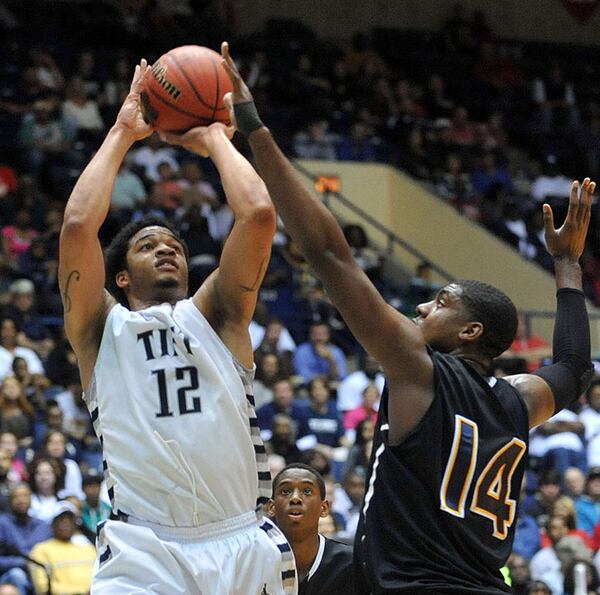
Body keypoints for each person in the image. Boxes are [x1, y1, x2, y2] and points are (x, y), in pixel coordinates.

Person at [191, 41, 595, 594]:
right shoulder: (519, 400)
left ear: (471, 332)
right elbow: (575, 365)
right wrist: (568, 264)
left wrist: (254, 125)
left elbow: (330, 255)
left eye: (442, 302)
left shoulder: (418, 368)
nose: (423, 306)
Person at [58, 58, 294, 594]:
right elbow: (77, 226)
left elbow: (258, 214)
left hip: (240, 542)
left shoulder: (217, 312)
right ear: (119, 275)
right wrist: (122, 132)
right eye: (148, 245)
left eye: (176, 246)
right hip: (144, 550)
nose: (166, 249)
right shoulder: (99, 329)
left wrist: (214, 137)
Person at [268, 464, 353, 594]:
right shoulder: (256, 560)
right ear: (271, 507)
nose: (295, 498)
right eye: (285, 491)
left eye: (307, 491)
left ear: (324, 508)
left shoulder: (351, 563)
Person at [28, 500, 96, 595]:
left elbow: (101, 577)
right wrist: (81, 593)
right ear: (52, 524)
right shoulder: (40, 550)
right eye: (62, 520)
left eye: (70, 520)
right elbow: (43, 587)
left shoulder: (89, 548)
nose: (66, 523)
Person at [0, 484, 52, 595]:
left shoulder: (42, 526)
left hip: (40, 573)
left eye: (25, 496)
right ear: (10, 501)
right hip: (10, 576)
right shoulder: (2, 523)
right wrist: (23, 563)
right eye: (16, 497)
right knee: (17, 574)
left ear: (31, 499)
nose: (21, 500)